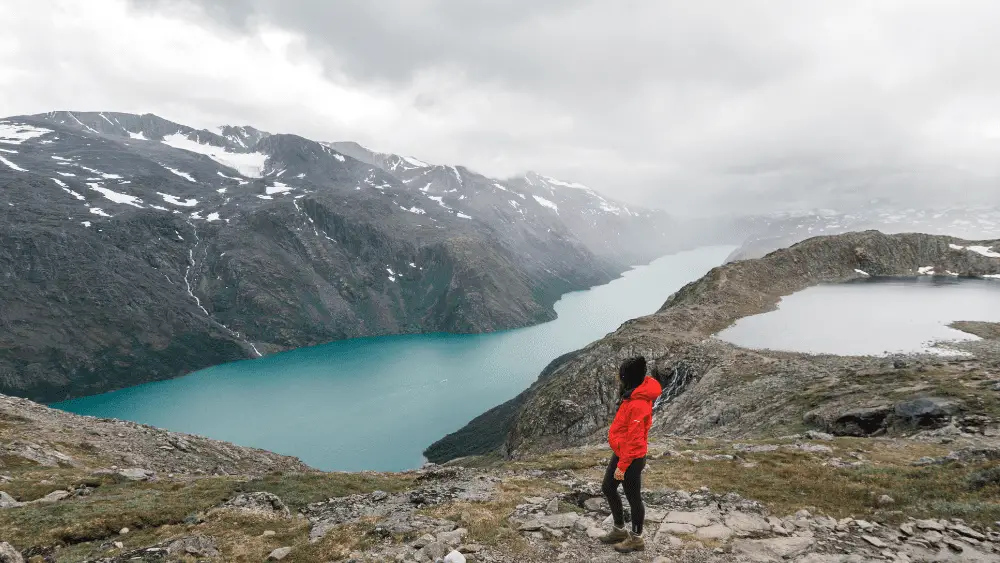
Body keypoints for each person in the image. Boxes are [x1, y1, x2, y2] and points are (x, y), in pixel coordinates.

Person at [598, 356, 662, 553]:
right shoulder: (634, 395)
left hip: (631, 458)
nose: (619, 378)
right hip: (623, 451)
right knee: (608, 488)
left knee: (633, 497)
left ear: (629, 378)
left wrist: (622, 467)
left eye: (622, 375)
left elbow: (634, 442)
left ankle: (636, 539)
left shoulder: (638, 403)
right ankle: (619, 530)